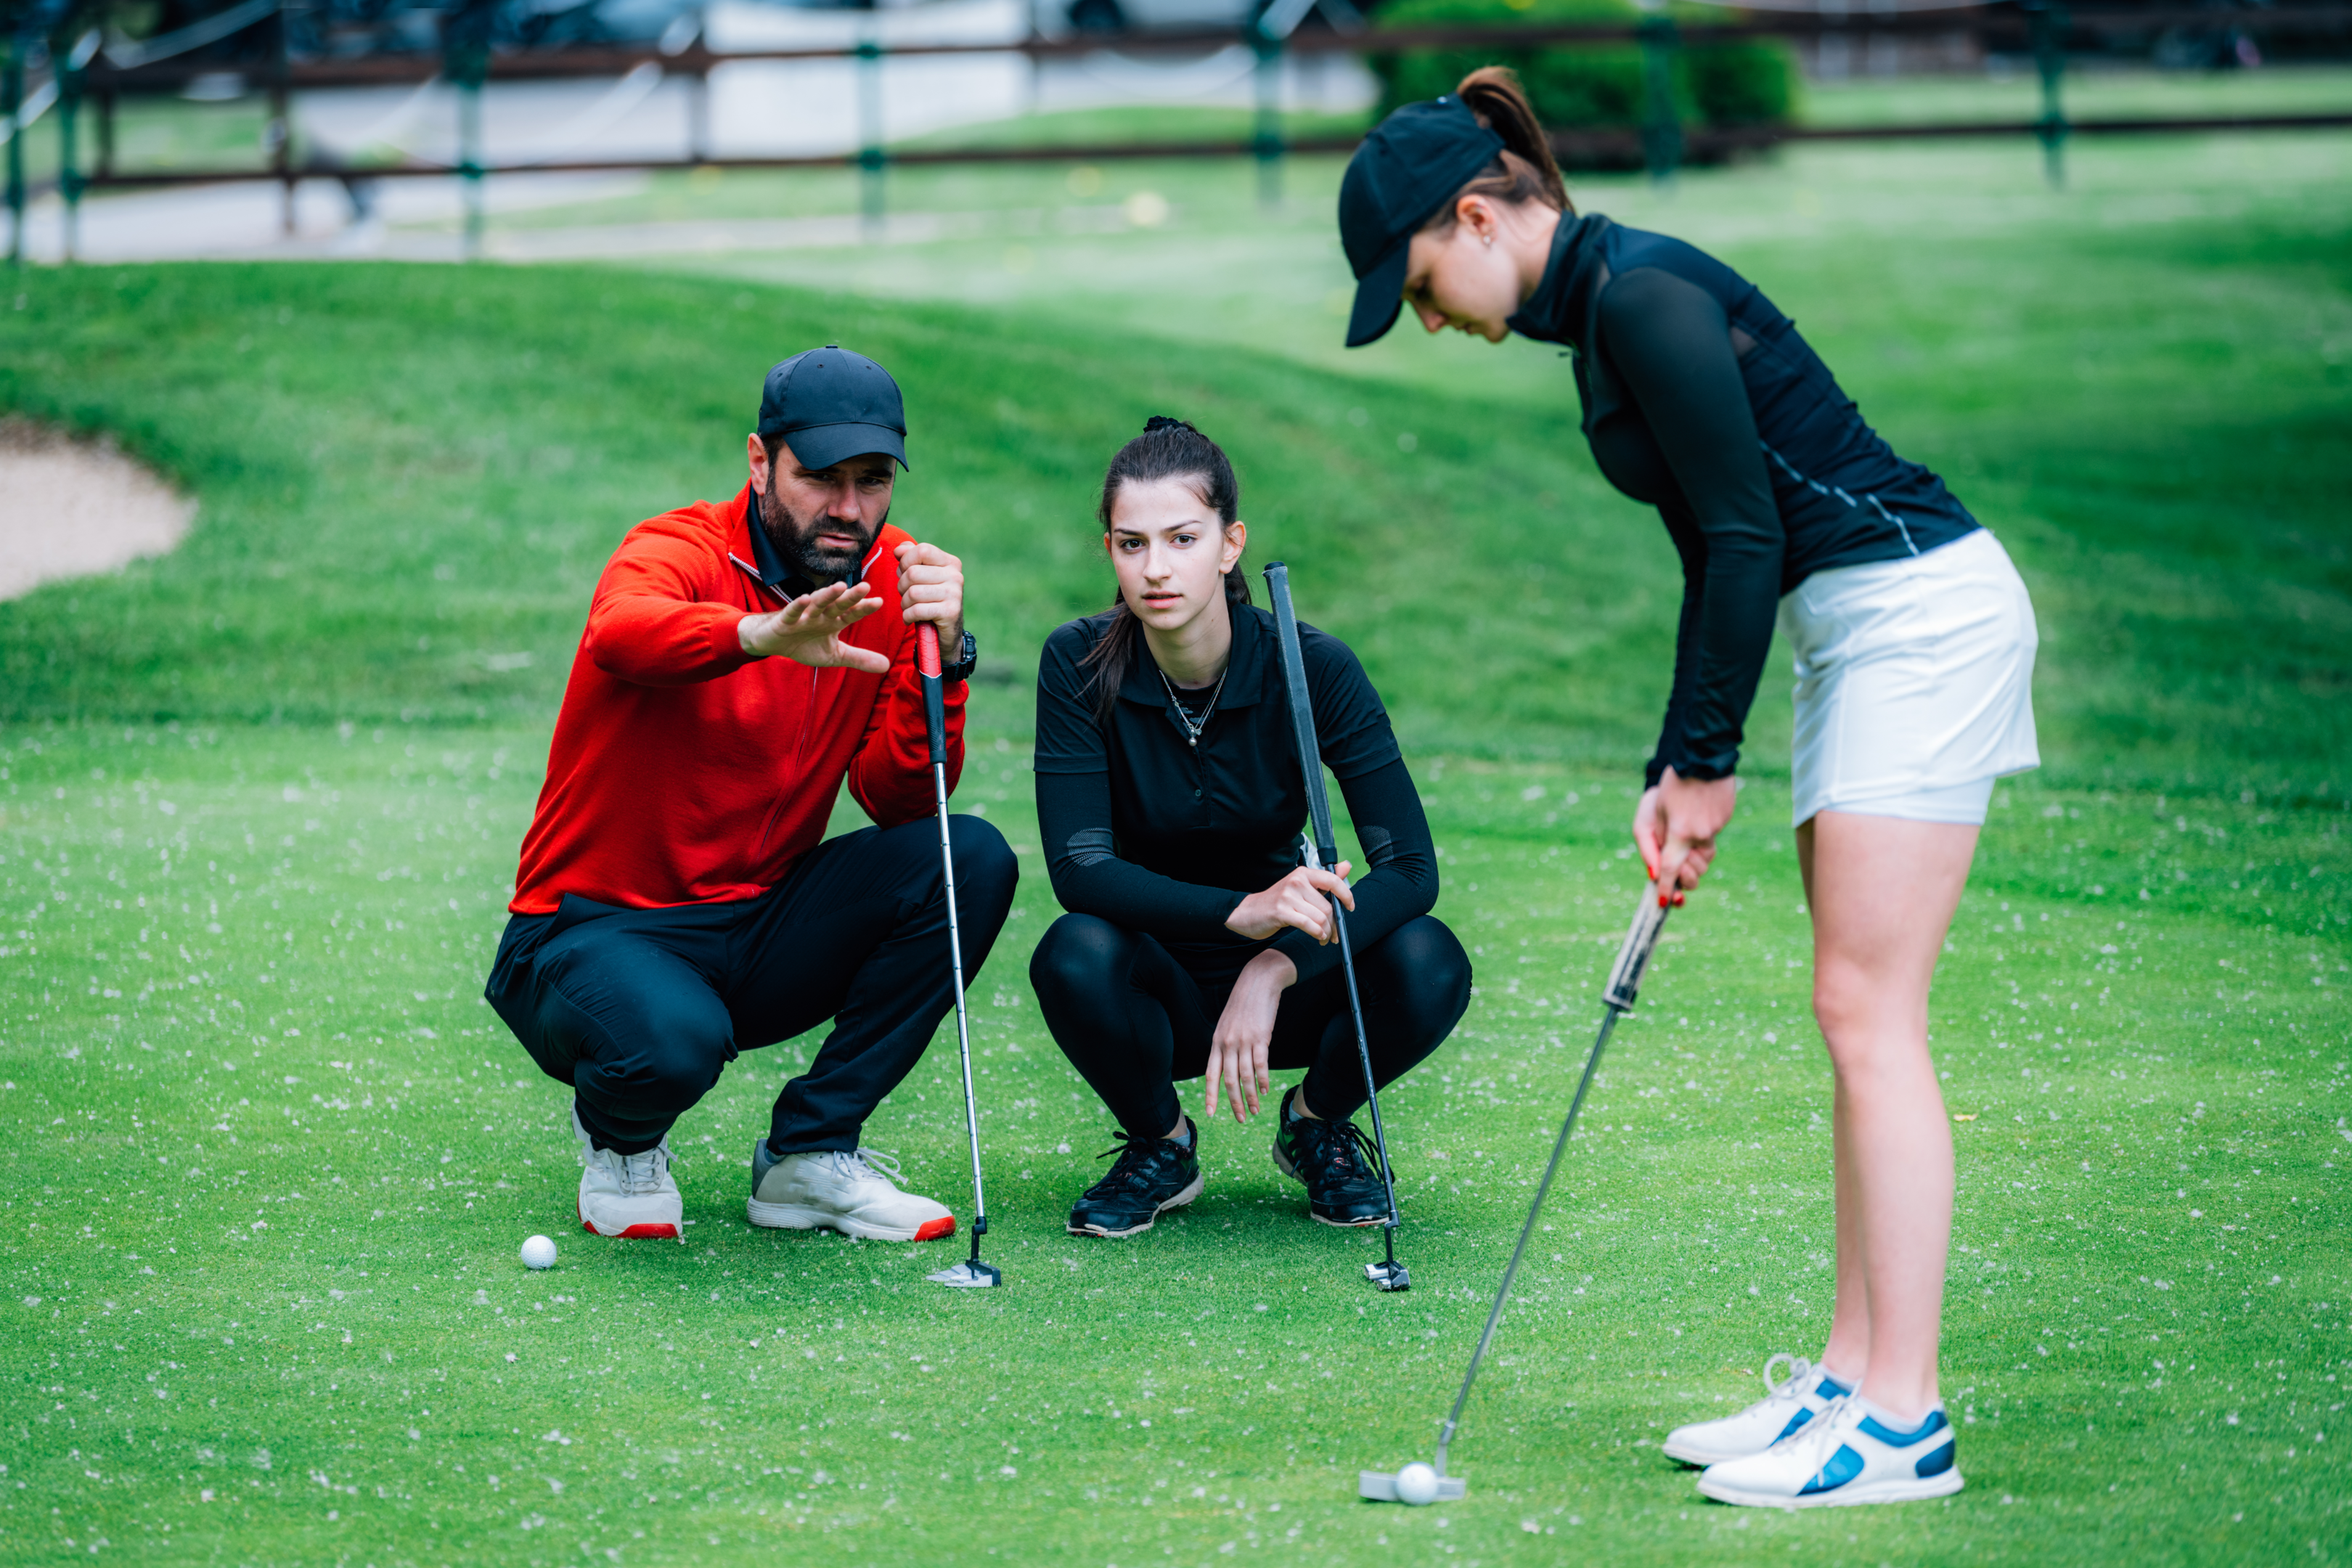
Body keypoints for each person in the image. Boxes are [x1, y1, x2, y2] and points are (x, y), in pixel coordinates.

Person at [1336, 70, 2039, 1508]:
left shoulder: (1642, 296)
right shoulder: (1606, 308)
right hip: (1857, 628)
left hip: (1918, 616)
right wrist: (1680, 760)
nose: (1429, 317)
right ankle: (1851, 1382)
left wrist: (1705, 767)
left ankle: (1904, 1419)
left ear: (1475, 217)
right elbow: (1718, 552)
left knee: (1867, 1009)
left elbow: (1740, 536)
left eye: (1417, 283)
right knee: (1852, 1008)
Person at [484, 346, 1016, 1246]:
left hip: (755, 925)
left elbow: (896, 797)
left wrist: (948, 655)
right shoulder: (679, 546)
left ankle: (810, 1155)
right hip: (584, 934)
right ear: (761, 463)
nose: (849, 508)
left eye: (873, 480)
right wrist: (758, 633)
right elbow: (623, 632)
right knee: (670, 1041)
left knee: (968, 859)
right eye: (820, 477)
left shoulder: (891, 580)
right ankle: (621, 1140)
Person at [1027, 417, 1472, 1239]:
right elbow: (1080, 870)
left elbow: (1410, 868)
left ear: (1230, 545)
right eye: (1131, 544)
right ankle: (1162, 1145)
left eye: (1182, 539)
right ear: (1110, 550)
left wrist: (1273, 965)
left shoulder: (1315, 665)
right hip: (1153, 974)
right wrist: (1239, 910)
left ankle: (1316, 1123)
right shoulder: (1077, 661)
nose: (1155, 568)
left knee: (1430, 960)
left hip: (1292, 973)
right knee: (1072, 949)